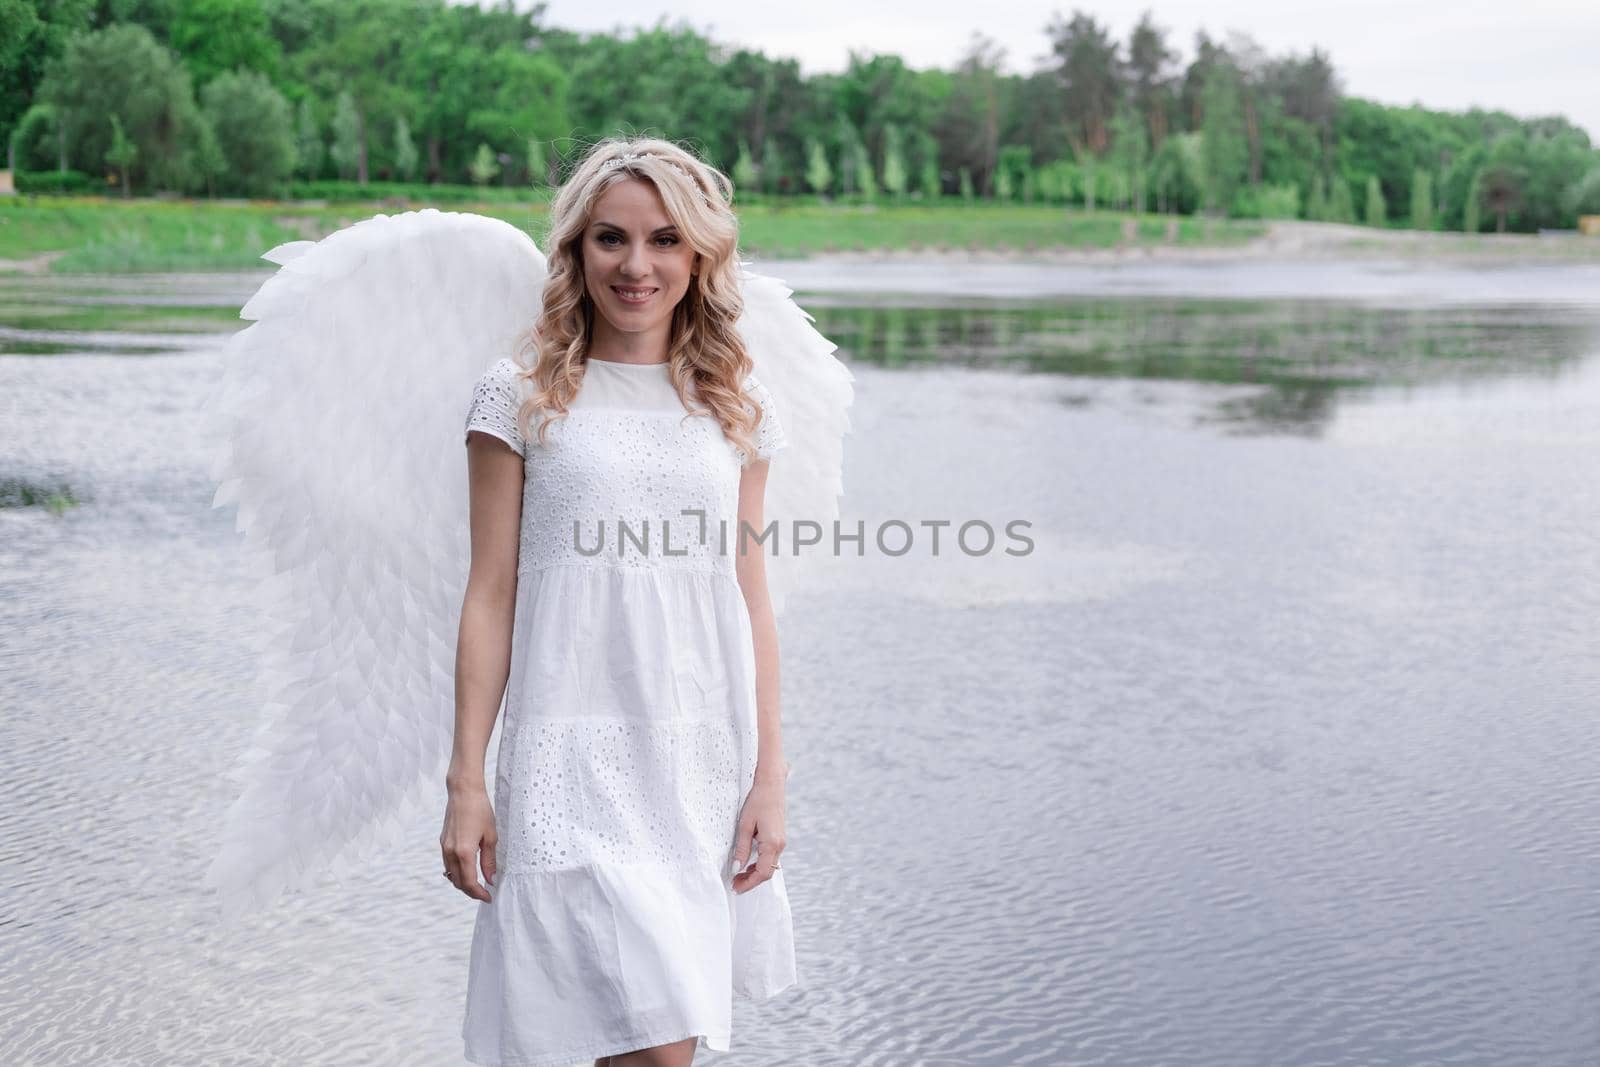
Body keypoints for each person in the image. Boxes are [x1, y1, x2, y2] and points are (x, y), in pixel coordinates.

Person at [443, 137, 800, 1066]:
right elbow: (489, 594)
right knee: (627, 1037)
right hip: (568, 752)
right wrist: (465, 781)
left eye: (663, 240)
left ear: (698, 257)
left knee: (654, 1038)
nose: (636, 265)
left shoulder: (733, 404)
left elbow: (750, 593)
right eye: (611, 239)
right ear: (575, 251)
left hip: (693, 755)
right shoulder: (518, 395)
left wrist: (770, 776)